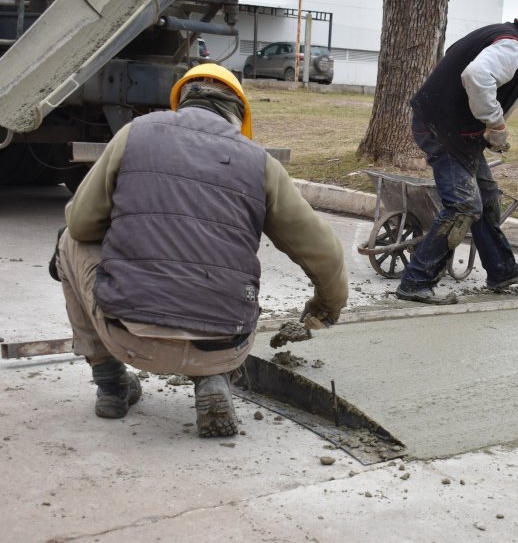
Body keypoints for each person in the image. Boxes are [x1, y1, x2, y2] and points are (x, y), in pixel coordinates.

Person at [52, 64, 348, 437]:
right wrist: (325, 307)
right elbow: (325, 253)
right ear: (239, 114)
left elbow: (81, 224)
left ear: (181, 101)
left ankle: (111, 383)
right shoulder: (260, 163)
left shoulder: (134, 135)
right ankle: (214, 378)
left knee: (68, 240)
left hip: (129, 337)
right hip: (227, 345)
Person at [396, 6, 518, 305]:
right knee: (464, 206)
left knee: (486, 195)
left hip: (454, 129)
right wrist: (496, 123)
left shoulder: (502, 34)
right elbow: (476, 75)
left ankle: (502, 270)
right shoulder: (511, 46)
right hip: (444, 129)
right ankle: (416, 282)